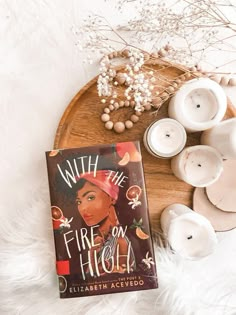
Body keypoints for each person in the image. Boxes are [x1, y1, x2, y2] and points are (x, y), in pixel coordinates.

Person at [75, 170, 136, 275]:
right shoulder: (101, 240)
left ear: (111, 198)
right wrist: (92, 255)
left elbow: (117, 281)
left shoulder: (120, 242)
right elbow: (92, 281)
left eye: (90, 197)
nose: (83, 208)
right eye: (79, 202)